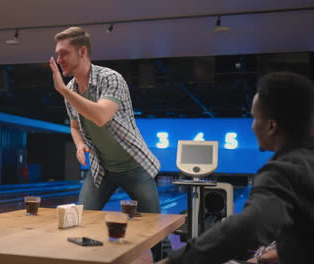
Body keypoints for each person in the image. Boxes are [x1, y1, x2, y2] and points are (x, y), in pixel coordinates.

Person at [158, 72, 314, 264]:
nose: (251, 127)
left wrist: (174, 261)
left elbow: (247, 227)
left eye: (254, 118)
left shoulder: (283, 172)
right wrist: (267, 258)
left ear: (271, 126)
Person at [49, 27, 166, 259]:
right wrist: (80, 143)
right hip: (102, 168)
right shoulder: (71, 90)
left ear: (82, 52)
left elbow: (101, 116)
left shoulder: (111, 78)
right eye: (57, 54)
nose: (58, 59)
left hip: (135, 167)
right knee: (81, 221)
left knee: (153, 231)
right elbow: (74, 125)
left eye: (64, 53)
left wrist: (62, 90)